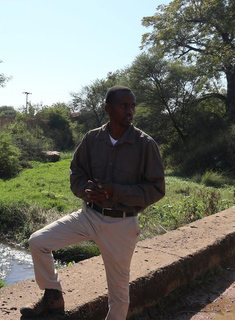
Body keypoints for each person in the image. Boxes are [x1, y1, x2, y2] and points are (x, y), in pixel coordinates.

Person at [20, 86, 166, 320]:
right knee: (38, 242)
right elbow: (76, 172)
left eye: (132, 106)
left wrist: (113, 191)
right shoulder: (92, 138)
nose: (130, 111)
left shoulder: (144, 144)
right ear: (108, 108)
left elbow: (156, 188)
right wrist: (85, 190)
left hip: (121, 224)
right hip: (88, 216)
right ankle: (53, 299)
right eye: (124, 106)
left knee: (118, 295)